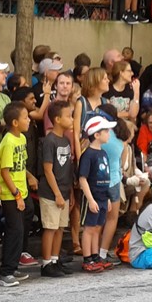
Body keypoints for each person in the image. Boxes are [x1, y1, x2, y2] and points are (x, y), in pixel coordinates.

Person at [0, 102, 34, 287]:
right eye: (25, 117)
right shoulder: (9, 141)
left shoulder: (22, 139)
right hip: (11, 194)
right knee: (14, 230)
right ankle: (5, 272)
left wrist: (29, 178)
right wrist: (17, 195)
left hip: (22, 190)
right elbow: (5, 171)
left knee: (21, 229)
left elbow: (21, 165)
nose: (29, 120)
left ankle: (12, 265)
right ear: (15, 122)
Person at [38, 101, 75, 278]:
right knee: (51, 227)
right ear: (58, 119)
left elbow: (67, 169)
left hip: (64, 190)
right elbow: (47, 169)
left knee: (60, 227)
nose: (72, 119)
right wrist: (58, 194)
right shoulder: (49, 141)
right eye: (68, 116)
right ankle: (46, 263)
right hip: (51, 192)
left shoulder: (66, 140)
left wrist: (69, 193)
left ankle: (55, 259)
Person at [79, 115, 115, 273]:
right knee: (89, 228)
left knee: (97, 227)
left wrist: (106, 198)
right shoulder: (88, 154)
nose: (109, 134)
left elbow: (106, 177)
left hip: (102, 197)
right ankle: (87, 258)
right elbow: (82, 179)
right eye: (106, 131)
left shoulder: (103, 153)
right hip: (92, 197)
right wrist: (90, 199)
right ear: (96, 134)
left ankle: (95, 256)